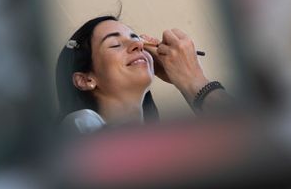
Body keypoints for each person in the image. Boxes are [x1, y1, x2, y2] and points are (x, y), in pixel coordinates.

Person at [55, 15, 232, 133]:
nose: (138, 45)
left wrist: (191, 82)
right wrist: (193, 81)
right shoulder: (80, 125)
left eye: (136, 39)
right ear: (86, 79)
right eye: (115, 44)